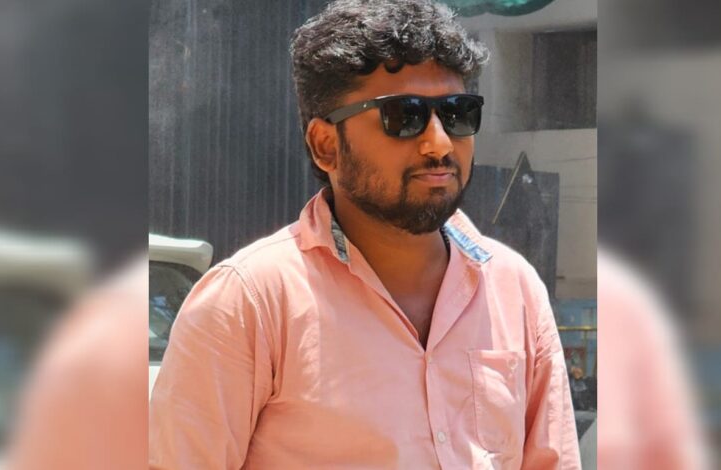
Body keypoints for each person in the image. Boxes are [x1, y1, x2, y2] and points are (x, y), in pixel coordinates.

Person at [149, 0, 580, 468]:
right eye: (404, 116)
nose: (439, 143)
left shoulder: (514, 289)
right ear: (326, 145)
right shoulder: (250, 303)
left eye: (457, 113)